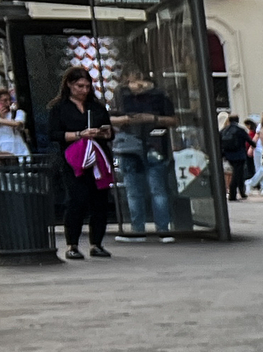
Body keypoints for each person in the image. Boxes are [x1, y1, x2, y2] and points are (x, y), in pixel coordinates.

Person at [49, 66, 115, 259]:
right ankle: (72, 244)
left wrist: (103, 132)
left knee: (100, 201)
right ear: (69, 85)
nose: (84, 90)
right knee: (76, 200)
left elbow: (110, 132)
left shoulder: (96, 107)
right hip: (74, 159)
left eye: (87, 86)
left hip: (97, 158)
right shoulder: (59, 108)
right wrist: (79, 135)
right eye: (79, 86)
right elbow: (54, 134)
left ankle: (97, 243)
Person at [113, 68, 181, 241]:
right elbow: (173, 120)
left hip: (143, 145)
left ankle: (143, 230)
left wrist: (147, 119)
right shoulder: (153, 95)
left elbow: (173, 120)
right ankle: (160, 230)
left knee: (143, 190)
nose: (135, 85)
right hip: (149, 145)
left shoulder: (125, 96)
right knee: (152, 190)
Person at [0, 87, 31, 165]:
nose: (8, 103)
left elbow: (17, 124)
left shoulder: (17, 113)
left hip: (18, 153)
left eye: (9, 100)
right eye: (4, 101)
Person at [218, 110, 253, 202]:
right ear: (237, 120)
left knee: (239, 174)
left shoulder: (224, 130)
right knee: (237, 175)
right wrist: (254, 146)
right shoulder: (240, 130)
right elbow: (249, 140)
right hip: (239, 155)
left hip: (228, 155)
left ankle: (242, 192)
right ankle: (233, 194)